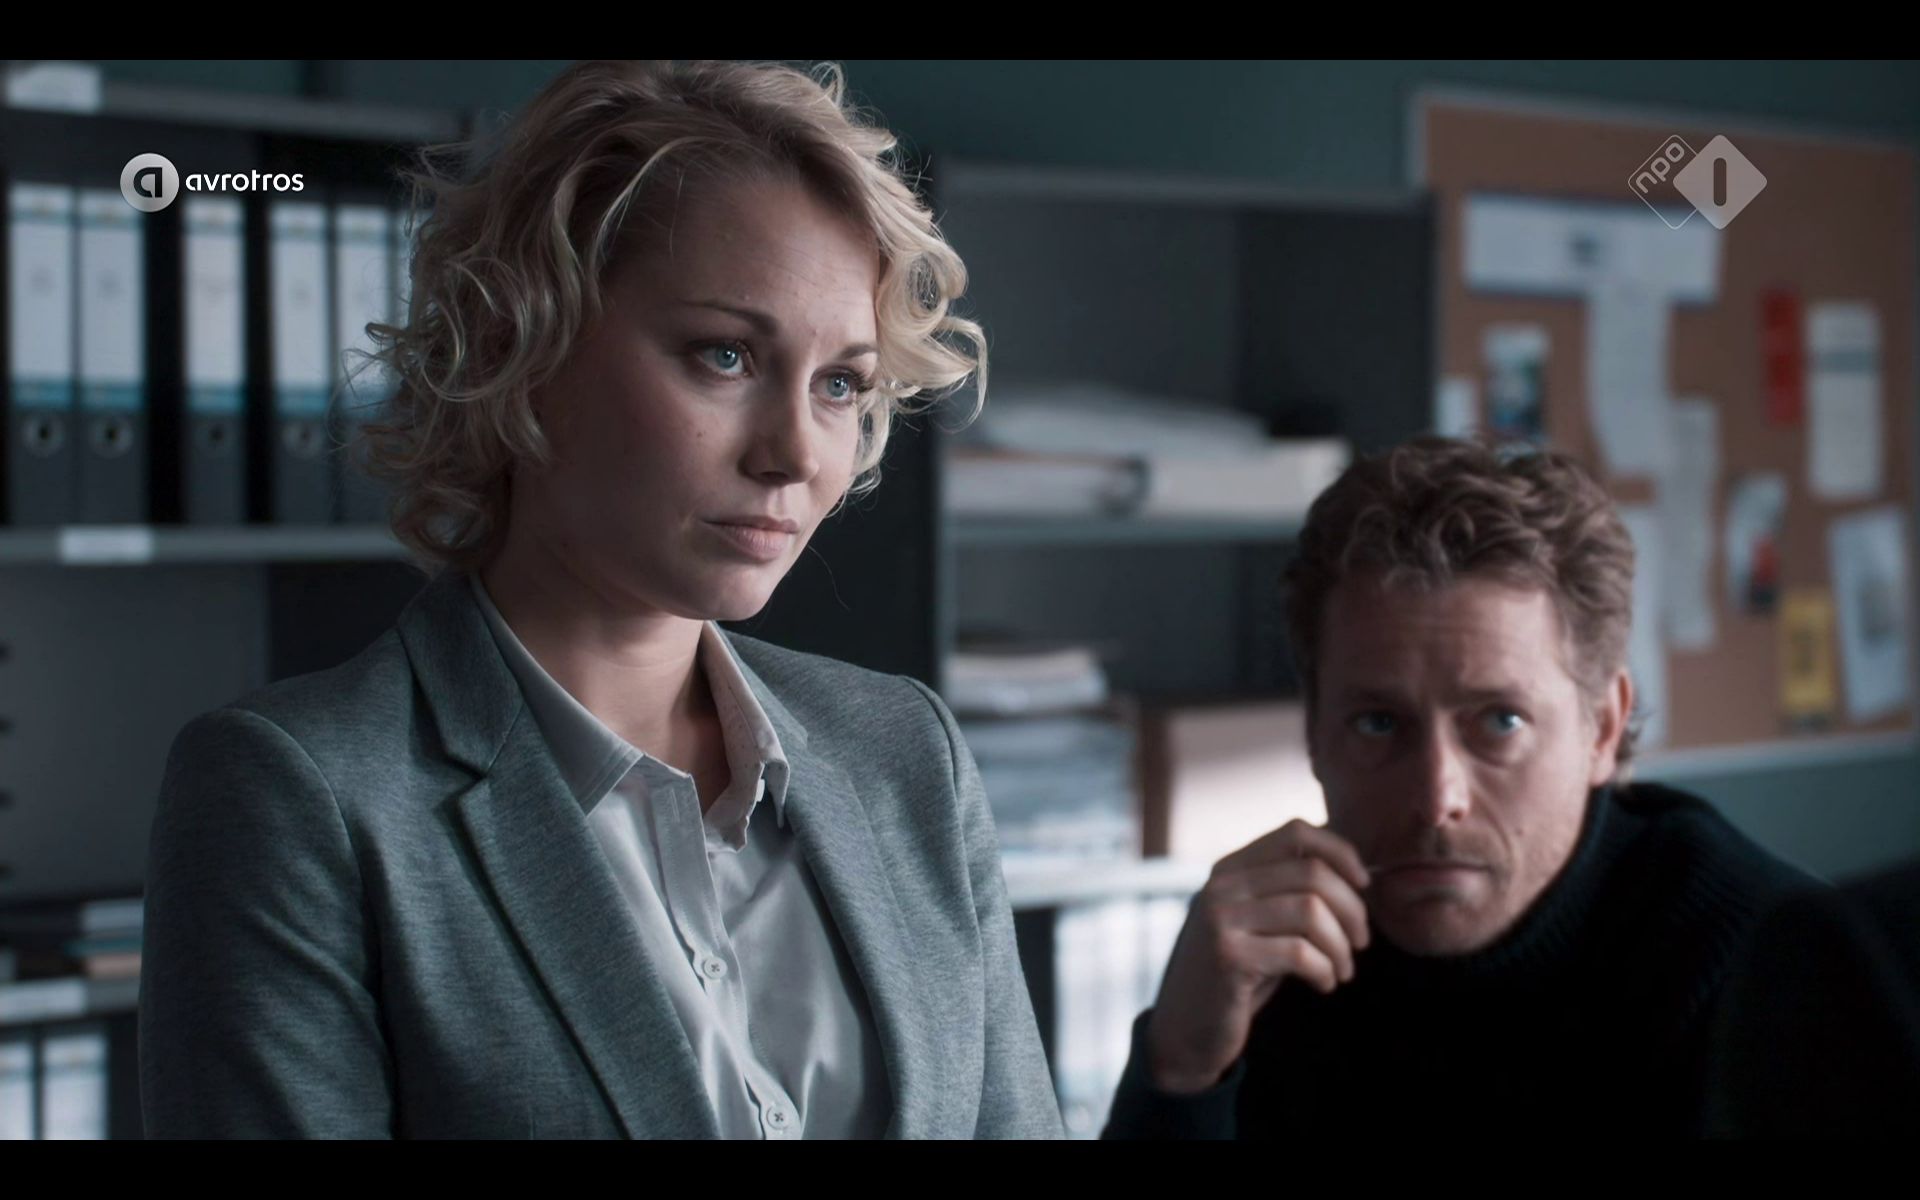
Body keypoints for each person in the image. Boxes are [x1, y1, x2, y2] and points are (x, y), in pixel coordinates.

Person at [139, 59, 1062, 1140]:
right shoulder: (302, 797)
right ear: (523, 345)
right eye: (726, 355)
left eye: (840, 384)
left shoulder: (906, 753)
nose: (796, 453)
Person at [1105, 436, 1819, 1138]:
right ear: (1314, 733)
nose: (1436, 796)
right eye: (1379, 723)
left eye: (1500, 722)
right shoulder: (1275, 960)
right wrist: (1182, 1067)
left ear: (1602, 729)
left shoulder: (1765, 969)